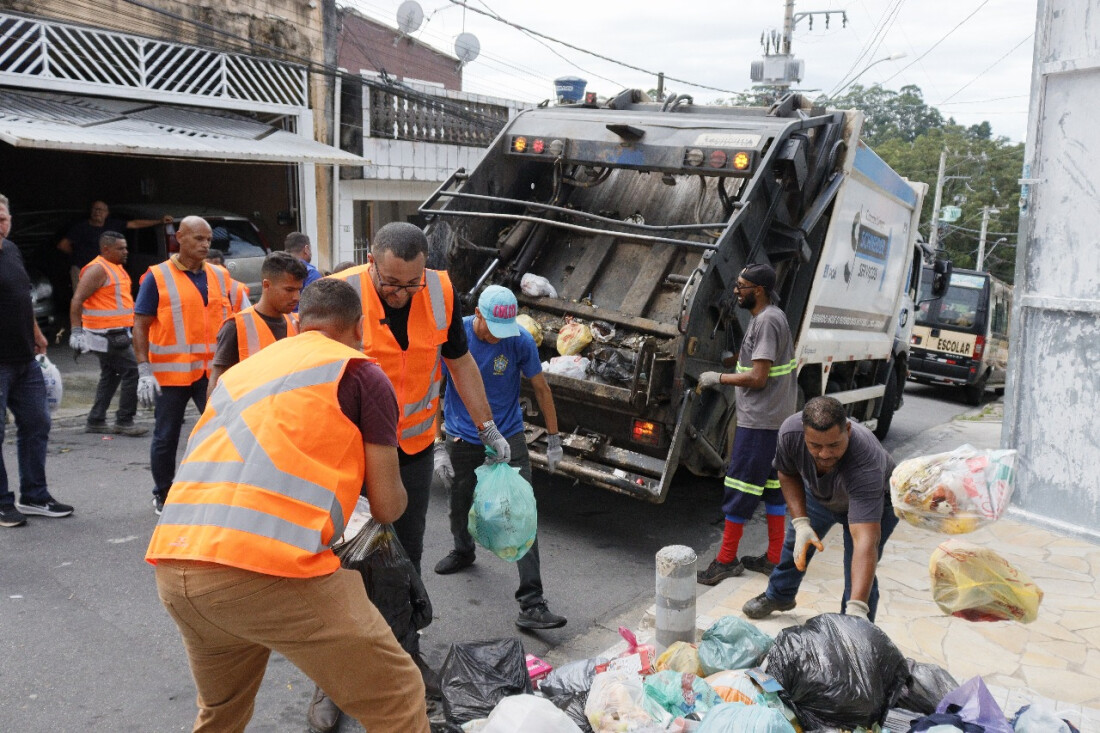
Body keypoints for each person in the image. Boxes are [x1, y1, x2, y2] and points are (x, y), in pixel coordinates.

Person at [146, 278, 429, 733]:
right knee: (399, 694)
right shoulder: (358, 372)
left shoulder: (243, 372)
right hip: (265, 569)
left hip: (177, 567)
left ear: (298, 323)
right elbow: (388, 506)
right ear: (359, 327)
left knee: (221, 712)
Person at [327, 222, 510, 575]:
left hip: (414, 447)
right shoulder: (340, 292)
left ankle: (405, 625)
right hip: (353, 449)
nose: (402, 293)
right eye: (391, 283)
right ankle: (360, 625)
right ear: (371, 262)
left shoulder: (440, 290)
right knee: (350, 549)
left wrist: (487, 427)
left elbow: (461, 362)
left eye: (413, 283)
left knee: (409, 546)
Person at [433, 285, 568, 630]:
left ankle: (532, 603)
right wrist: (437, 444)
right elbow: (433, 389)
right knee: (458, 502)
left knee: (522, 514)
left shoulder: (519, 340)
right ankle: (463, 550)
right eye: (492, 328)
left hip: (507, 436)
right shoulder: (454, 335)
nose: (498, 337)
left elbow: (541, 388)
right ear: (477, 314)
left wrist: (554, 439)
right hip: (462, 435)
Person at [742, 396, 900, 623]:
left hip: (876, 502)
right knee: (794, 546)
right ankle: (779, 596)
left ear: (847, 429)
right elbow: (787, 473)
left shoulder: (866, 459)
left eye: (834, 445)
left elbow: (865, 541)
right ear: (803, 433)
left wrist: (857, 608)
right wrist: (801, 523)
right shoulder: (790, 433)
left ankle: (855, 627)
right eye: (815, 445)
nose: (825, 454)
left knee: (857, 569)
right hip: (820, 494)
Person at [696, 264, 797, 585]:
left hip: (759, 424)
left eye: (742, 286)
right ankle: (774, 557)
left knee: (739, 488)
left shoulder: (766, 321)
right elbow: (758, 362)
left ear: (760, 290)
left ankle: (726, 561)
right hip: (775, 421)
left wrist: (719, 377)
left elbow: (758, 376)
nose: (736, 291)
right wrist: (734, 362)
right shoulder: (772, 316)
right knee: (772, 490)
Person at [133, 216, 232, 515]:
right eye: (198, 239)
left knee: (221, 432)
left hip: (209, 372)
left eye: (208, 240)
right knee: (166, 436)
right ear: (179, 238)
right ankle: (164, 493)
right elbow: (140, 324)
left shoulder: (218, 276)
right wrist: (143, 370)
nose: (204, 244)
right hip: (170, 374)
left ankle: (217, 488)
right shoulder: (157, 277)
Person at [0, 194, 74, 527]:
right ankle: (3, 503)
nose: (0, 225)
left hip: (24, 358)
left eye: (2, 218)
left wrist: (37, 333)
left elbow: (22, 297)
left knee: (37, 422)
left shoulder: (11, 251)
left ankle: (34, 495)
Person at [68, 231, 148, 437]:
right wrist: (76, 331)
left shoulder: (115, 268)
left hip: (114, 333)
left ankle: (96, 419)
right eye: (121, 248)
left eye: (126, 247)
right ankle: (124, 420)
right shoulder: (97, 269)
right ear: (106, 249)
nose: (126, 252)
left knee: (111, 374)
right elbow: (77, 300)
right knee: (133, 370)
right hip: (106, 335)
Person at [207, 251, 306, 399]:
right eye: (289, 290)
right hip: (250, 417)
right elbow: (217, 383)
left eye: (299, 290)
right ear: (267, 285)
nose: (296, 297)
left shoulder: (298, 323)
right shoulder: (236, 326)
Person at [56, 201, 170, 290]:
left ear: (107, 213)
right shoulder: (81, 227)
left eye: (101, 210)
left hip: (105, 269)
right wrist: (78, 255)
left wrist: (159, 221)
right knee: (84, 301)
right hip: (83, 269)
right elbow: (63, 245)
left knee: (103, 300)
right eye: (95, 209)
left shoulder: (112, 224)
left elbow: (135, 224)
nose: (97, 212)